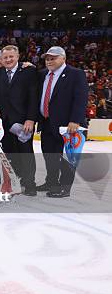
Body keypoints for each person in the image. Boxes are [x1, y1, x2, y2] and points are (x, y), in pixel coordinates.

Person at [0, 45, 39, 196]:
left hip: (23, 122)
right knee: (8, 154)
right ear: (1, 59)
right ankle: (14, 182)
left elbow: (34, 97)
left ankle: (30, 184)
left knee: (26, 153)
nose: (8, 60)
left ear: (17, 56)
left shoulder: (28, 71)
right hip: (3, 122)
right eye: (5, 57)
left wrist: (30, 119)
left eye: (11, 57)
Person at [37, 47, 88, 198]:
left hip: (68, 126)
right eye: (47, 58)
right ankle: (51, 182)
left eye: (53, 58)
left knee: (66, 158)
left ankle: (64, 188)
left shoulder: (75, 74)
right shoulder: (42, 75)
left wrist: (75, 120)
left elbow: (81, 98)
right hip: (46, 123)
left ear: (63, 58)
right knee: (49, 155)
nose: (49, 61)